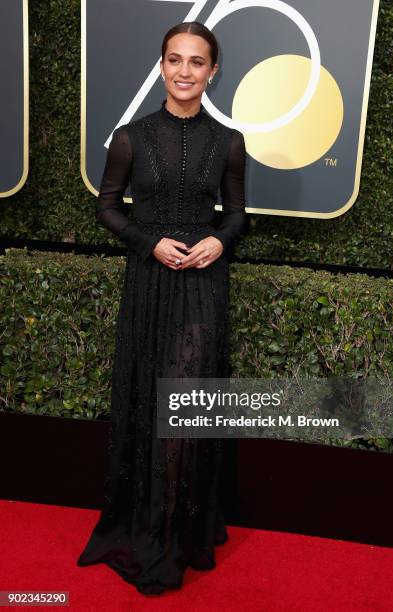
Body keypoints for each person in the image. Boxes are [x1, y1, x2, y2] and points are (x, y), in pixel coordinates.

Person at [76, 20, 247, 596]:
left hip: (202, 282)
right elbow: (106, 207)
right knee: (149, 401)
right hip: (149, 281)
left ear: (212, 72)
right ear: (161, 66)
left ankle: (180, 533)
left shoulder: (229, 142)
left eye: (196, 62)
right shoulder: (131, 136)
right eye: (174, 60)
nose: (184, 71)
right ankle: (146, 522)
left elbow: (238, 215)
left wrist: (220, 240)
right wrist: (150, 242)